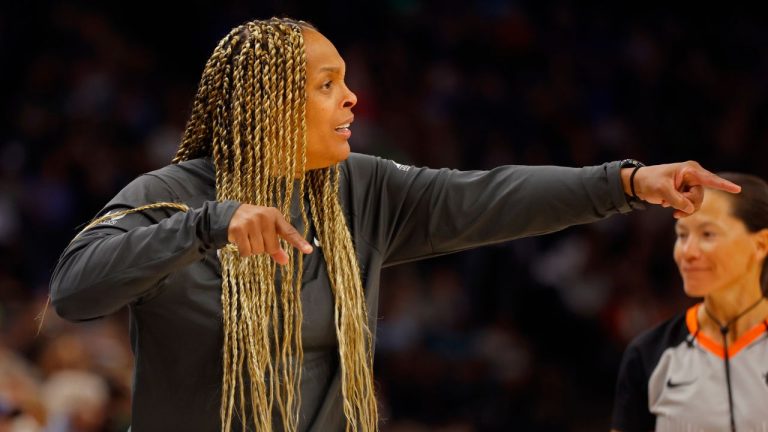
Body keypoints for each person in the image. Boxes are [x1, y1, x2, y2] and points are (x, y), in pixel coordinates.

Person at [49, 17, 740, 432]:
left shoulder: (360, 191)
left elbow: (488, 197)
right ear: (267, 105)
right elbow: (75, 291)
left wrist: (624, 182)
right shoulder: (168, 195)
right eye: (326, 84)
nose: (351, 97)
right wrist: (205, 227)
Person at [611, 173, 768, 432]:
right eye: (682, 235)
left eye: (708, 234)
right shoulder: (649, 353)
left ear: (761, 244)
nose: (687, 252)